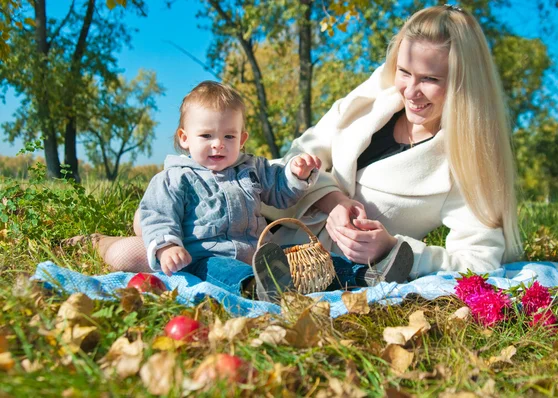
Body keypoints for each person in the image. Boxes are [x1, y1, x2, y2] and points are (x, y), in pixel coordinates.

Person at [81, 5, 522, 298]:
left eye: (431, 79)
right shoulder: (378, 96)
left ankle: (159, 246)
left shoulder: (467, 159)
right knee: (160, 226)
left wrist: (393, 247)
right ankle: (116, 240)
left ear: (464, 84)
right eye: (404, 70)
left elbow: (480, 260)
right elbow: (306, 148)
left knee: (170, 251)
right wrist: (330, 198)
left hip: (320, 265)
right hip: (263, 211)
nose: (410, 89)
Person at [135, 81, 323, 294]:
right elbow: (157, 215)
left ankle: (355, 272)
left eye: (229, 136)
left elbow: (280, 193)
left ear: (242, 139)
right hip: (206, 259)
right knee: (226, 271)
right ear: (185, 138)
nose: (218, 143)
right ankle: (256, 288)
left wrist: (295, 174)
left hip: (259, 254)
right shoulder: (175, 178)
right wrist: (167, 248)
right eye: (206, 135)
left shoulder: (252, 168)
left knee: (308, 259)